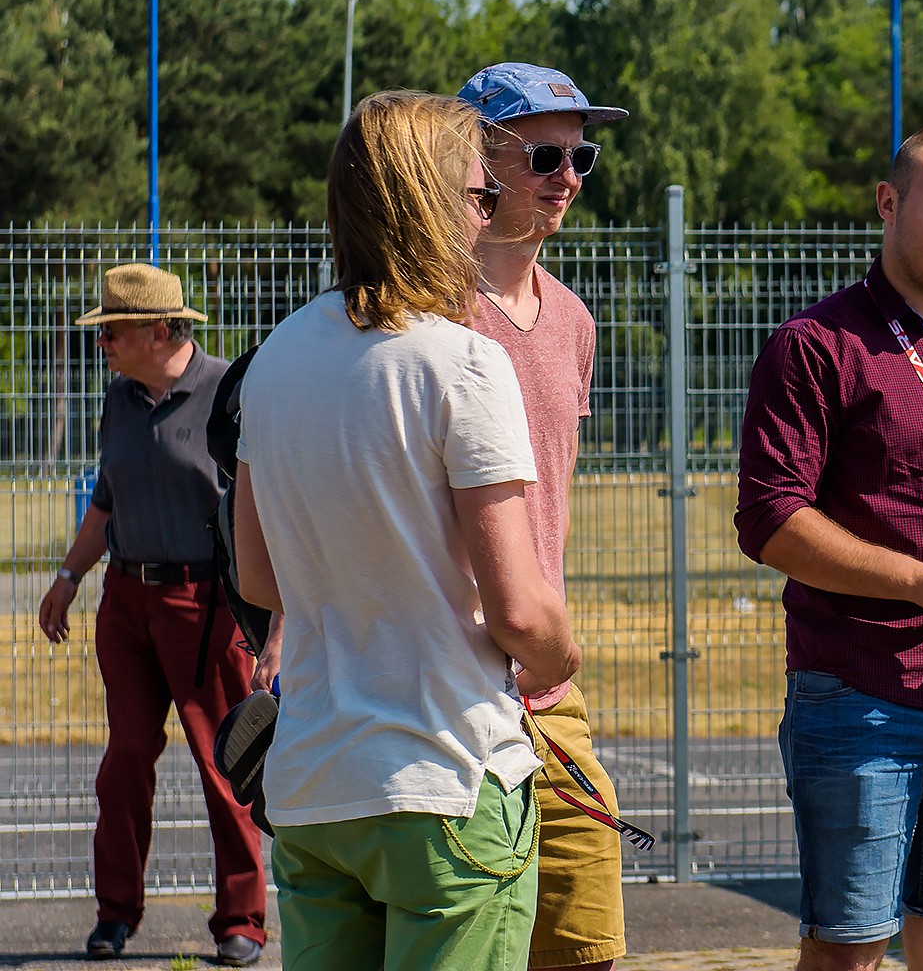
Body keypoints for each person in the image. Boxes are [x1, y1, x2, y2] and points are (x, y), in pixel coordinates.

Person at [232, 90, 580, 969]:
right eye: (478, 194)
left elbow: (259, 579)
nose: (487, 214)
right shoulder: (463, 361)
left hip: (315, 785)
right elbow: (519, 609)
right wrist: (559, 658)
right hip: (446, 779)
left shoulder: (274, 359)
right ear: (427, 203)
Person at [734, 122, 923, 971]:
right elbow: (770, 518)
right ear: (889, 203)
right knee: (848, 951)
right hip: (863, 693)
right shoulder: (816, 345)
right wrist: (917, 581)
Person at [35, 263, 266, 966]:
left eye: (112, 331)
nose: (101, 342)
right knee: (124, 762)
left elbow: (262, 507)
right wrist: (69, 577)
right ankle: (115, 914)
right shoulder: (119, 400)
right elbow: (106, 500)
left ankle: (241, 921)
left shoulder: (228, 393)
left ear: (159, 332)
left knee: (224, 764)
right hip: (126, 602)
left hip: (206, 607)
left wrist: (268, 611)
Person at [457, 61, 631, 971]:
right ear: (475, 160)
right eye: (545, 156)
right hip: (446, 688)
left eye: (581, 157)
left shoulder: (573, 319)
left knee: (587, 943)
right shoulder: (427, 313)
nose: (568, 177)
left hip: (547, 691)